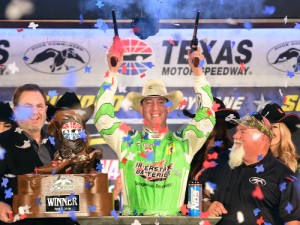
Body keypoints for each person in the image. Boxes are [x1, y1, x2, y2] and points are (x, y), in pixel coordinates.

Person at [94, 43, 216, 215]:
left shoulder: (184, 142)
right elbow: (102, 117)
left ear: (168, 108)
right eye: (148, 102)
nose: (155, 108)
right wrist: (112, 72)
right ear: (141, 109)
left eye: (161, 102)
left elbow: (207, 118)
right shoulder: (127, 140)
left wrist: (198, 73)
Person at [199, 113, 300, 224]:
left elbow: (293, 221)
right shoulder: (220, 161)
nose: (235, 136)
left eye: (243, 132)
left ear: (263, 138)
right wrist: (206, 204)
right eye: (237, 131)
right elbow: (201, 191)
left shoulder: (284, 176)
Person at [0, 84, 74, 225]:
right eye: (27, 106)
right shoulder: (2, 142)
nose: (34, 112)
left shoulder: (58, 144)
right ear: (15, 111)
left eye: (39, 106)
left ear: (45, 109)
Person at [184, 97, 240, 180]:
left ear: (218, 124)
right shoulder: (192, 153)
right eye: (198, 121)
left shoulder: (232, 155)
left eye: (205, 121)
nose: (198, 125)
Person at [261, 103, 300, 172]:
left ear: (283, 132)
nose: (269, 131)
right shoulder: (248, 162)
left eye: (274, 126)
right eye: (265, 127)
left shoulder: (298, 164)